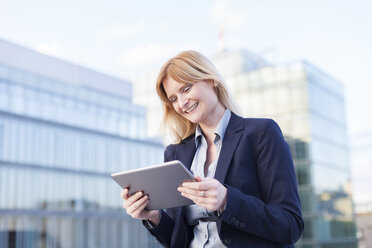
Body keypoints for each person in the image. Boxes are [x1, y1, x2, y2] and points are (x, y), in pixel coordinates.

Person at [121, 50, 304, 247]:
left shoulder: (261, 134)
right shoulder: (176, 153)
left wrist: (227, 200)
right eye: (173, 99)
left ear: (211, 80)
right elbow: (179, 241)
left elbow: (290, 225)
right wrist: (153, 216)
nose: (182, 103)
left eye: (186, 88)